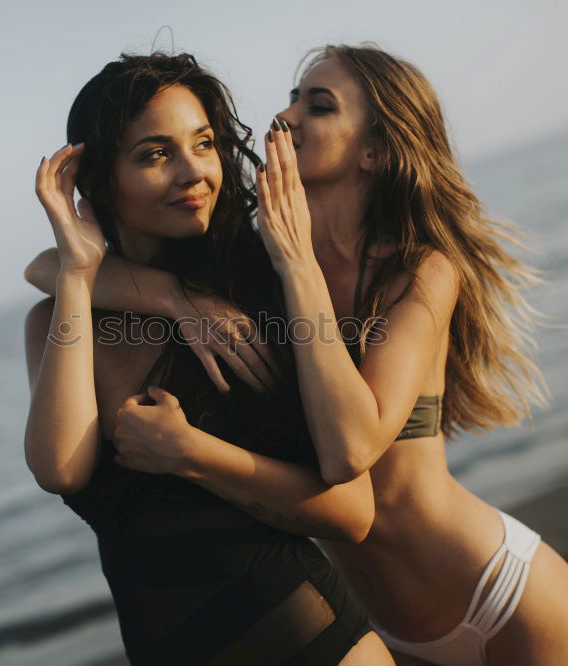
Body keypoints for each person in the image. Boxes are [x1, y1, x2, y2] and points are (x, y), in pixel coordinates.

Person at [25, 44, 568, 666]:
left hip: (491, 592)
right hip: (366, 614)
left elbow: (351, 458)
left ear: (376, 150)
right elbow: (47, 268)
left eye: (318, 105)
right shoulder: (252, 268)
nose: (288, 116)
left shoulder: (409, 272)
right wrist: (170, 296)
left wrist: (290, 266)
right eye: (294, 96)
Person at [23, 52, 392, 665]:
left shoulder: (264, 299)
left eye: (203, 143)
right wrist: (78, 274)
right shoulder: (61, 319)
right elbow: (60, 467)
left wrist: (190, 454)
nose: (193, 171)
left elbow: (353, 512)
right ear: (97, 180)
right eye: (154, 154)